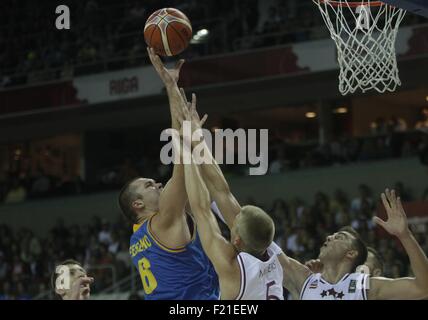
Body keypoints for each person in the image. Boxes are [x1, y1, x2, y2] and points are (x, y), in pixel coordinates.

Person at [119, 48, 235, 300]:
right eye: (149, 185)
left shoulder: (137, 237)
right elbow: (180, 160)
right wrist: (171, 87)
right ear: (138, 204)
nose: (157, 183)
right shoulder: (162, 221)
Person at [178, 97, 284, 300]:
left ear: (236, 239)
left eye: (234, 224)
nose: (231, 219)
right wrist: (198, 140)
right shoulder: (274, 259)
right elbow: (222, 192)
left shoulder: (232, 267)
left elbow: (201, 209)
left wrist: (187, 146)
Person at [280, 189, 428, 300]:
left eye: (340, 237)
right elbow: (262, 244)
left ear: (351, 254)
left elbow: (423, 287)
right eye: (333, 235)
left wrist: (405, 236)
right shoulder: (305, 279)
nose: (330, 236)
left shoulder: (365, 287)